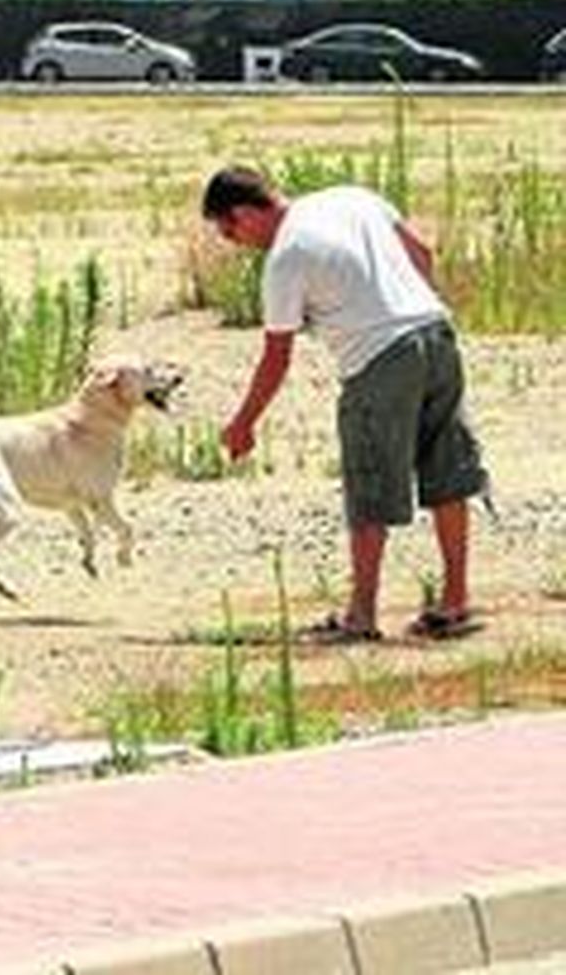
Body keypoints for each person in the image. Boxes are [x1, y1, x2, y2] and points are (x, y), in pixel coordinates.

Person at [201, 166, 488, 643]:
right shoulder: (352, 198)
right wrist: (403, 308)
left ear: (244, 213)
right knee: (447, 473)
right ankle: (455, 601)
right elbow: (422, 254)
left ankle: (362, 615)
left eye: (229, 232)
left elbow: (276, 357)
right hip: (436, 336)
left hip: (378, 361)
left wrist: (243, 423)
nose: (236, 243)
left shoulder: (287, 257)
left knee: (369, 485)